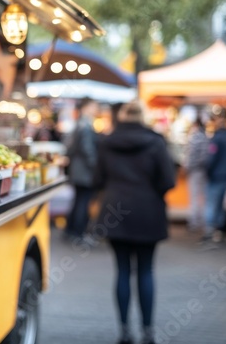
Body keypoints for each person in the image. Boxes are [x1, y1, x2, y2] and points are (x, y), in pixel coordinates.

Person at [93, 101, 176, 344]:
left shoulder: (106, 142)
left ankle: (125, 330)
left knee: (122, 271)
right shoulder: (156, 142)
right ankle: (148, 331)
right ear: (142, 117)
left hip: (114, 212)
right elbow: (168, 180)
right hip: (147, 211)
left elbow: (97, 178)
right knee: (146, 270)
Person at [203, 106, 226, 243]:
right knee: (221, 206)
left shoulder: (216, 139)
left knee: (212, 204)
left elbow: (211, 159)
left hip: (216, 177)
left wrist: (208, 172)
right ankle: (218, 231)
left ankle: (209, 231)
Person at [64, 97, 99, 241]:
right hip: (84, 171)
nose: (96, 109)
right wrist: (96, 165)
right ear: (86, 107)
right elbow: (87, 149)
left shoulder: (80, 124)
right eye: (94, 106)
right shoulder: (85, 125)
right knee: (83, 201)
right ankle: (78, 232)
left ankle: (71, 230)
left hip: (78, 170)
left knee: (79, 200)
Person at [183, 117, 209, 232]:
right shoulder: (206, 138)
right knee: (203, 196)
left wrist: (187, 167)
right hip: (204, 171)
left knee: (194, 196)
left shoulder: (195, 137)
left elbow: (191, 155)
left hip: (195, 171)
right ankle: (202, 220)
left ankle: (194, 221)